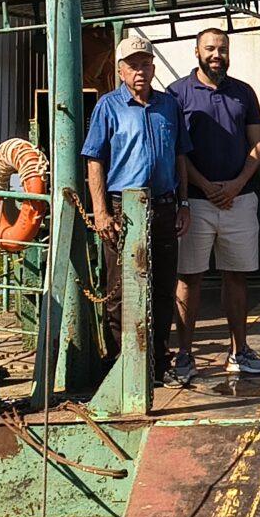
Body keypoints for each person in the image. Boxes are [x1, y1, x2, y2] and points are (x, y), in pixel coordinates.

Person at [80, 30, 192, 381]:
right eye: (133, 66)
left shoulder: (168, 105)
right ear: (122, 71)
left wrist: (184, 202)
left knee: (162, 288)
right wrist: (100, 212)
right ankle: (120, 365)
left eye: (145, 64)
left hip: (163, 206)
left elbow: (179, 156)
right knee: (120, 290)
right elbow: (94, 159)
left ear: (154, 67)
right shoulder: (108, 106)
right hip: (121, 209)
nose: (140, 71)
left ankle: (157, 362)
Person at [172, 28, 260, 375]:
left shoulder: (244, 93)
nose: (217, 54)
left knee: (237, 277)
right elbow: (178, 152)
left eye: (222, 49)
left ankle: (239, 351)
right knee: (189, 278)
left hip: (239, 201)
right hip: (195, 202)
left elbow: (257, 146)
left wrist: (237, 184)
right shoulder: (177, 94)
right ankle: (184, 354)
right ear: (196, 52)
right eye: (210, 48)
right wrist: (205, 186)